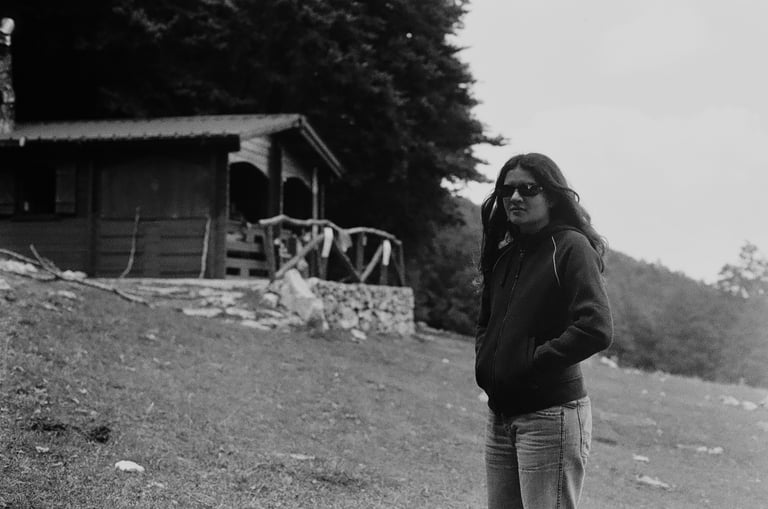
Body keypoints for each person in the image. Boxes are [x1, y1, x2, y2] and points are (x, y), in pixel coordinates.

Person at [475, 153, 613, 509]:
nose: (515, 197)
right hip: (501, 415)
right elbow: (485, 323)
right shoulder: (505, 256)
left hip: (550, 416)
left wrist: (531, 364)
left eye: (528, 189)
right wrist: (488, 364)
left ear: (550, 196)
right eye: (507, 190)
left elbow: (596, 327)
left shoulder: (571, 247)